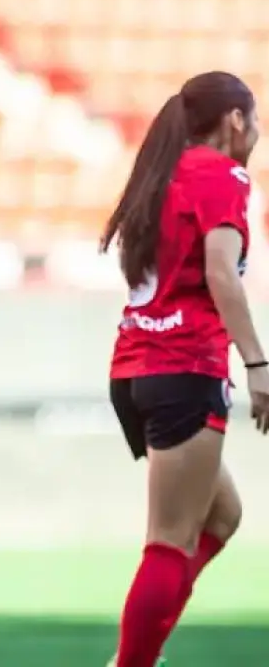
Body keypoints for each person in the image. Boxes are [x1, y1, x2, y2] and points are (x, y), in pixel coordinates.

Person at [100, 71, 269, 667]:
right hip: (184, 367)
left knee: (223, 514)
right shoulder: (223, 175)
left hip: (136, 368)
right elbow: (222, 274)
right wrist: (258, 363)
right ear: (235, 121)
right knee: (168, 542)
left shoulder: (161, 174)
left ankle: (142, 648)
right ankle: (134, 660)